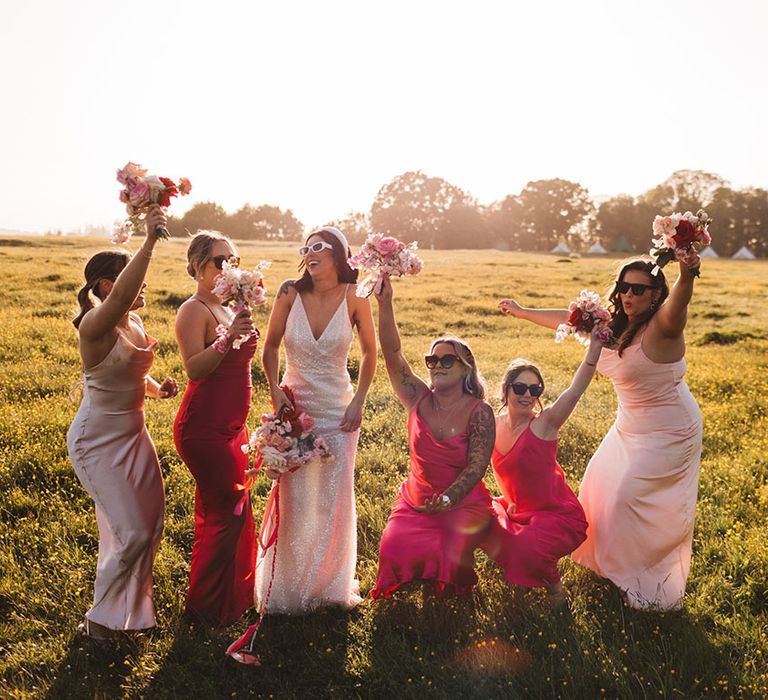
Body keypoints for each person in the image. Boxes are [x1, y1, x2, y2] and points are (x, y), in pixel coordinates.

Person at [499, 255, 703, 610]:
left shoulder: (664, 326)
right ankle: (611, 566)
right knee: (597, 488)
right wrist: (521, 311)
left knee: (628, 496)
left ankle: (641, 577)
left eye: (638, 289)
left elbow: (680, 304)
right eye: (623, 287)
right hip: (629, 425)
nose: (627, 295)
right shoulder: (611, 326)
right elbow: (568, 319)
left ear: (656, 295)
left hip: (671, 428)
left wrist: (687, 274)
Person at [67, 206, 177, 639]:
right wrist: (148, 242)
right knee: (130, 531)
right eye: (132, 276)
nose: (143, 284)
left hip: (135, 434)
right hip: (97, 442)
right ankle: (100, 623)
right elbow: (113, 321)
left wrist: (156, 389)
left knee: (149, 526)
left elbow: (129, 369)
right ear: (109, 286)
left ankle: (131, 617)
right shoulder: (96, 325)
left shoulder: (133, 319)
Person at [257, 226, 376, 613]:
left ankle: (328, 588)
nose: (310, 253)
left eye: (320, 247)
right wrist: (275, 390)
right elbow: (270, 345)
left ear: (339, 255)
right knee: (295, 498)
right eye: (306, 247)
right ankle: (287, 587)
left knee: (333, 497)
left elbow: (371, 353)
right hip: (294, 408)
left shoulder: (356, 295)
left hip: (338, 411)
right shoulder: (289, 292)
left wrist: (359, 400)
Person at [370, 275, 496, 599]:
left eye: (447, 359)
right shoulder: (417, 398)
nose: (437, 365)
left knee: (450, 552)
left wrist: (447, 499)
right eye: (432, 359)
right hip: (417, 499)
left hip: (461, 502)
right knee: (394, 546)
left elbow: (477, 466)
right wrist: (384, 303)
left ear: (466, 367)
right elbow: (393, 353)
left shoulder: (479, 412)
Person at [173, 230, 258, 627]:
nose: (228, 268)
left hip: (232, 426)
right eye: (219, 262)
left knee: (237, 510)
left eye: (233, 260)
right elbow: (194, 368)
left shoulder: (228, 308)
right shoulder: (194, 310)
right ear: (197, 267)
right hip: (204, 428)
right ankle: (205, 610)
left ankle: (235, 597)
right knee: (225, 512)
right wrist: (227, 341)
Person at [483, 330, 603, 606]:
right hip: (516, 511)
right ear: (506, 389)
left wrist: (594, 348)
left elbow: (575, 390)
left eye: (535, 389)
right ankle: (517, 568)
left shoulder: (545, 424)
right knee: (472, 515)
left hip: (555, 514)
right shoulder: (492, 423)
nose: (528, 395)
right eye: (520, 388)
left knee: (527, 545)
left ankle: (556, 590)